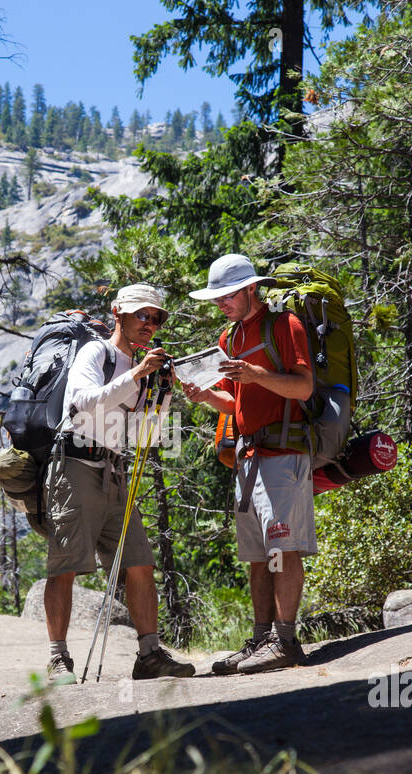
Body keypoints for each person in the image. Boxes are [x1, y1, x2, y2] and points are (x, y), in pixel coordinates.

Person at [43, 283, 196, 682]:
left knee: (140, 565)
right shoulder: (97, 352)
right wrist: (139, 374)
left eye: (157, 317)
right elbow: (83, 403)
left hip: (115, 470)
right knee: (65, 566)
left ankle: (149, 655)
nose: (151, 323)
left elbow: (148, 436)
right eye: (142, 315)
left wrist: (162, 394)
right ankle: (58, 658)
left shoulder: (143, 367)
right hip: (74, 463)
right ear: (118, 314)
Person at [182, 255, 315, 675]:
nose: (220, 303)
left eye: (227, 295)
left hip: (282, 451)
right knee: (258, 555)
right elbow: (232, 399)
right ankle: (261, 639)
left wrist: (257, 375)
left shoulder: (283, 326)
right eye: (216, 297)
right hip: (248, 457)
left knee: (282, 547)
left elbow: (304, 387)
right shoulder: (229, 338)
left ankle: (286, 640)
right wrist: (205, 398)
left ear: (250, 289)